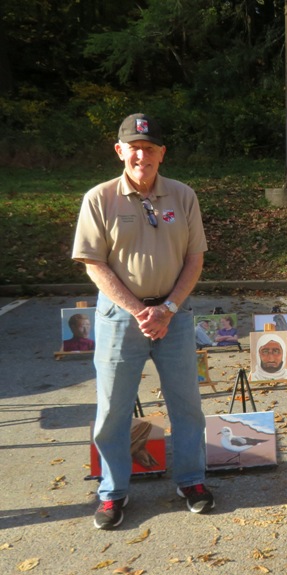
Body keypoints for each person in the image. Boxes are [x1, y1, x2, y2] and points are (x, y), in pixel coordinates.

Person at [72, 113, 214, 530]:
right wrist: (140, 311)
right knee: (114, 409)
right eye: (133, 147)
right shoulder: (99, 198)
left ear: (161, 154)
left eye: (149, 148)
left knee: (187, 405)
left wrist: (167, 309)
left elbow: (195, 258)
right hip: (120, 318)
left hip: (175, 315)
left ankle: (191, 481)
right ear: (120, 151)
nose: (142, 155)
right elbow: (93, 264)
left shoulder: (183, 196)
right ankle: (113, 493)